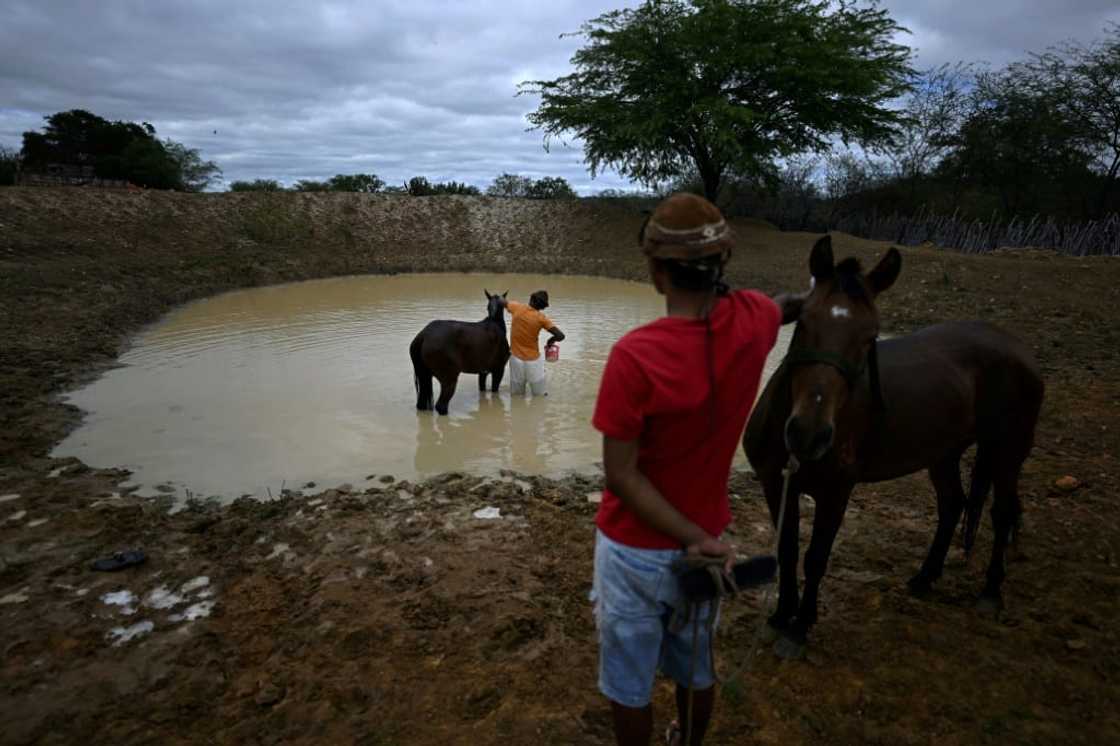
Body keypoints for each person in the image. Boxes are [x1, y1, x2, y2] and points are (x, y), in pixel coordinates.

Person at [590, 193, 784, 746]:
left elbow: (622, 476)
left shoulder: (635, 354)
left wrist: (692, 538)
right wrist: (704, 539)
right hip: (708, 546)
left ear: (655, 272)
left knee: (630, 684)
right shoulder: (755, 320)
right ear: (722, 262)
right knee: (697, 666)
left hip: (632, 550)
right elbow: (785, 305)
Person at [505, 290, 565, 396]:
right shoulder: (541, 318)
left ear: (531, 299)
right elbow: (560, 336)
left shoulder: (516, 307)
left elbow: (501, 301)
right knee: (540, 396)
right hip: (533, 361)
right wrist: (550, 341)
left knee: (516, 396)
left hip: (515, 359)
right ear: (543, 306)